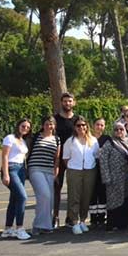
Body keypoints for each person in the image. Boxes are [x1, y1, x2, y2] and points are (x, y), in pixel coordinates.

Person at [63, 116, 100, 235]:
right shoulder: (70, 141)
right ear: (75, 127)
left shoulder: (93, 140)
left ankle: (83, 220)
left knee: (86, 196)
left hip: (89, 170)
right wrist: (73, 166)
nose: (81, 127)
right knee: (74, 197)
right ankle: (74, 221)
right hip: (74, 170)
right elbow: (65, 158)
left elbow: (96, 155)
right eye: (78, 125)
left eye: (83, 125)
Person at [97, 122, 128, 231]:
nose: (119, 132)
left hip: (127, 177)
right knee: (114, 202)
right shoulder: (109, 143)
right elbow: (103, 161)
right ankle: (113, 223)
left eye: (121, 129)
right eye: (116, 130)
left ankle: (125, 223)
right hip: (113, 178)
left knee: (127, 199)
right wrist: (106, 177)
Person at [28, 116, 60, 235]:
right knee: (44, 195)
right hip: (35, 168)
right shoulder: (36, 137)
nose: (49, 126)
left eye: (51, 124)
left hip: (49, 170)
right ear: (42, 125)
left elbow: (57, 158)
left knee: (49, 199)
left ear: (54, 126)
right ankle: (37, 225)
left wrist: (55, 173)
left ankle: (45, 226)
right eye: (46, 124)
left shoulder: (56, 139)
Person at [0, 119, 32, 240]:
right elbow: (5, 156)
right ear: (18, 126)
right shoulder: (10, 138)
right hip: (11, 168)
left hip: (21, 170)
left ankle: (8, 229)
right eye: (23, 126)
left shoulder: (23, 140)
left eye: (28, 127)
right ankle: (20, 228)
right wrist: (6, 174)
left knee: (14, 199)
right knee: (23, 197)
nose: (25, 128)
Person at [54, 92, 79, 229]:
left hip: (72, 160)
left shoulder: (77, 120)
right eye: (65, 101)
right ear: (61, 103)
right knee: (56, 188)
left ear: (74, 103)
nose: (67, 103)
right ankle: (55, 217)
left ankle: (71, 217)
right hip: (58, 159)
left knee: (73, 190)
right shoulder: (55, 119)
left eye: (70, 101)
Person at [89, 117, 109, 228]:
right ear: (93, 125)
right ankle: (93, 218)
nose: (99, 127)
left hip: (103, 169)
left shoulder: (107, 139)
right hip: (91, 168)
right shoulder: (89, 138)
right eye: (97, 124)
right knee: (92, 193)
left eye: (102, 125)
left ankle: (101, 217)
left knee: (102, 193)